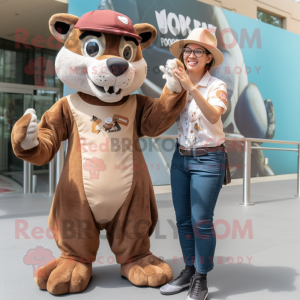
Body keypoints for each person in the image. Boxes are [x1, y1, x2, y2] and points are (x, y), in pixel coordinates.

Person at [160, 28, 228, 300]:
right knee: (183, 220)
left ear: (208, 58)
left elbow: (213, 116)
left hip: (209, 159)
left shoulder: (217, 86)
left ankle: (201, 276)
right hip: (181, 159)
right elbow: (163, 111)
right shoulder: (176, 84)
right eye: (187, 50)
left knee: (201, 221)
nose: (191, 54)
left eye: (198, 51)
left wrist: (191, 88)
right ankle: (189, 269)